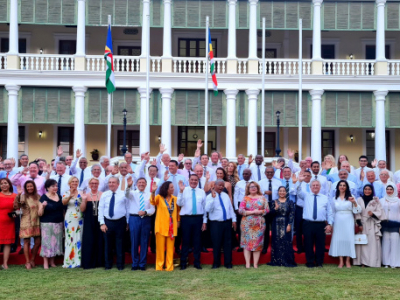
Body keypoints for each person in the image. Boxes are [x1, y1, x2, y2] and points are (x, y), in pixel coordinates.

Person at [329, 180, 361, 268]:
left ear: (346, 187)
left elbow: (358, 210)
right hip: (338, 220)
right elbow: (331, 211)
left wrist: (354, 202)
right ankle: (341, 261)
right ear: (338, 187)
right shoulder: (334, 198)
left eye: (344, 185)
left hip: (348, 219)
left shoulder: (351, 197)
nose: (342, 187)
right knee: (339, 239)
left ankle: (347, 261)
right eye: (340, 185)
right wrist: (331, 223)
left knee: (348, 239)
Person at [177, 175, 207, 270]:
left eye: (195, 180)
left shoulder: (201, 192)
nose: (194, 181)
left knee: (197, 241)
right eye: (192, 180)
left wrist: (204, 221)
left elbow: (205, 207)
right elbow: (179, 203)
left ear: (198, 181)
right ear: (189, 180)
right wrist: (181, 192)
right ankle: (183, 263)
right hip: (186, 218)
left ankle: (197, 262)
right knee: (185, 241)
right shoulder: (183, 190)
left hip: (198, 218)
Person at [98, 176, 128, 270]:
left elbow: (127, 208)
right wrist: (102, 223)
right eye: (110, 182)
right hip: (108, 222)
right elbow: (101, 209)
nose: (111, 184)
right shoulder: (104, 194)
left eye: (113, 182)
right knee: (108, 245)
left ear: (118, 184)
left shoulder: (123, 194)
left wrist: (127, 222)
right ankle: (108, 265)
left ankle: (120, 265)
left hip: (120, 222)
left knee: (120, 244)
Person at [301, 180, 333, 268]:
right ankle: (310, 262)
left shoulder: (325, 198)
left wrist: (329, 224)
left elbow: (329, 212)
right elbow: (298, 191)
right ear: (310, 187)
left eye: (317, 185)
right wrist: (299, 181)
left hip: (320, 224)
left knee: (320, 244)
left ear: (320, 187)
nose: (315, 186)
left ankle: (319, 262)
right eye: (313, 185)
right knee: (308, 243)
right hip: (308, 224)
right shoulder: (306, 196)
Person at [206, 179, 237, 269]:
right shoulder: (209, 197)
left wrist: (234, 220)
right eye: (219, 185)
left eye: (222, 186)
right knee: (216, 243)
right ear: (214, 186)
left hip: (227, 222)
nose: (221, 187)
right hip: (216, 224)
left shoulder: (226, 196)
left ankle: (228, 263)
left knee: (228, 243)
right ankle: (216, 263)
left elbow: (230, 209)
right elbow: (207, 210)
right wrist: (213, 198)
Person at [126, 176, 155, 271]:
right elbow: (126, 195)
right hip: (134, 218)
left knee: (144, 241)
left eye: (143, 182)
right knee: (134, 241)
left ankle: (142, 263)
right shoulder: (132, 193)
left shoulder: (150, 194)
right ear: (136, 184)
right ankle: (135, 263)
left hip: (145, 219)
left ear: (146, 184)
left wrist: (145, 212)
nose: (141, 184)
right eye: (139, 183)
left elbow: (152, 209)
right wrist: (128, 186)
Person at [353, 184, 386, 267]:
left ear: (372, 190)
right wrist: (359, 224)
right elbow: (356, 211)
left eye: (369, 189)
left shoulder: (375, 200)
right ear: (363, 190)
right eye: (365, 189)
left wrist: (373, 214)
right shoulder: (359, 200)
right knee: (362, 243)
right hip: (362, 223)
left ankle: (371, 262)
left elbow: (380, 211)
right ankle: (362, 262)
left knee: (371, 243)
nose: (367, 191)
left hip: (372, 223)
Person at [150, 181, 180, 271]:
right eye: (171, 187)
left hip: (171, 227)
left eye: (173, 187)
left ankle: (169, 266)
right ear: (166, 189)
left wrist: (178, 221)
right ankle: (159, 266)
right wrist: (153, 192)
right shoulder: (159, 197)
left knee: (170, 249)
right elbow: (152, 201)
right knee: (160, 249)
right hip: (161, 227)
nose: (173, 189)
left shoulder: (175, 199)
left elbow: (178, 211)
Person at [239, 181, 269, 268]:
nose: (253, 188)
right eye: (251, 187)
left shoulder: (263, 198)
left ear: (257, 188)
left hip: (259, 224)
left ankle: (255, 264)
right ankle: (247, 263)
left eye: (255, 186)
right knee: (247, 243)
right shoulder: (245, 198)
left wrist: (260, 211)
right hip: (247, 224)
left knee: (257, 243)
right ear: (248, 189)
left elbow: (267, 210)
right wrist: (252, 212)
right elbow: (240, 210)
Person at [13, 180, 41, 269]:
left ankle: (32, 259)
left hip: (36, 221)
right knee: (26, 242)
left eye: (31, 186)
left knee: (38, 242)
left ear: (34, 187)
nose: (29, 188)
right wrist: (18, 196)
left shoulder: (38, 196)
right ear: (25, 188)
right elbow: (16, 206)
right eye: (28, 186)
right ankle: (27, 262)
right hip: (27, 221)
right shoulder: (23, 196)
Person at [38, 179, 64, 269]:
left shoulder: (59, 197)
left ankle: (52, 262)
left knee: (56, 242)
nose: (55, 188)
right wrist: (43, 207)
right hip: (47, 223)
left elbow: (62, 210)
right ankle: (45, 263)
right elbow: (39, 213)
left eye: (56, 186)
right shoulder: (43, 197)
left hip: (58, 222)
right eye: (53, 186)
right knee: (47, 243)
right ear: (47, 188)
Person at [267, 186, 296, 267]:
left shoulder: (290, 202)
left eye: (283, 191)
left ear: (286, 192)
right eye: (280, 191)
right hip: (275, 224)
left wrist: (289, 224)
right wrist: (275, 209)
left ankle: (286, 260)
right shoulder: (274, 202)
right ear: (278, 192)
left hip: (286, 223)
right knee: (276, 241)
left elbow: (291, 214)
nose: (282, 192)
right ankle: (277, 260)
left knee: (286, 241)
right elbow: (270, 214)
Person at [80, 177, 104, 269]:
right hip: (89, 220)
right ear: (89, 185)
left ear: (98, 185)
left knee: (100, 240)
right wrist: (83, 200)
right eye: (92, 183)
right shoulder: (85, 195)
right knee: (89, 240)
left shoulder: (102, 194)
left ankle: (100, 262)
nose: (94, 185)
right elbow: (82, 209)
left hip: (100, 219)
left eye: (96, 183)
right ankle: (88, 262)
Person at [258, 166, 281, 254]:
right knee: (266, 228)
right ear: (265, 173)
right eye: (268, 172)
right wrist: (264, 192)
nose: (269, 174)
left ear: (274, 173)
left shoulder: (278, 182)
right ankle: (265, 247)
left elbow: (281, 193)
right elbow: (257, 193)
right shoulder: (260, 182)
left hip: (275, 205)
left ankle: (276, 247)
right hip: (265, 205)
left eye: (271, 172)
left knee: (276, 227)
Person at [62, 176, 83, 268]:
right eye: (73, 181)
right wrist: (70, 195)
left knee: (79, 237)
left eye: (76, 181)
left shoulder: (81, 192)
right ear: (69, 183)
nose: (74, 183)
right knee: (70, 238)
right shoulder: (66, 193)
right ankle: (69, 260)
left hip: (80, 217)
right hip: (70, 216)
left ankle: (79, 260)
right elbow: (64, 203)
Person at [380, 184, 400, 268]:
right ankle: (386, 263)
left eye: (391, 189)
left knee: (395, 243)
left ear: (394, 190)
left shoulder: (398, 201)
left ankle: (394, 263)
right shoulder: (381, 200)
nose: (389, 191)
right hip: (385, 223)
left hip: (395, 224)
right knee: (385, 243)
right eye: (387, 189)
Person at [233, 168, 252, 252]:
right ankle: (242, 245)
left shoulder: (254, 183)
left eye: (247, 174)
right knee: (242, 227)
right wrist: (236, 208)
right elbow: (235, 196)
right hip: (241, 206)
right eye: (244, 174)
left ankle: (250, 244)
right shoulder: (239, 183)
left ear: (250, 174)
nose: (245, 175)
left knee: (250, 226)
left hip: (251, 206)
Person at [0, 178, 17, 269]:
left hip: (9, 222)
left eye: (5, 183)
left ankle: (5, 263)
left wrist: (15, 214)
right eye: (1, 183)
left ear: (9, 185)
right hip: (0, 222)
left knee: (7, 243)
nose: (3, 185)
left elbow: (17, 209)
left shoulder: (14, 196)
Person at [294, 171, 312, 253]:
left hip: (309, 209)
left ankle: (307, 247)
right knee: (298, 229)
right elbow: (295, 191)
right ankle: (299, 247)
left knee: (307, 229)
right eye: (304, 175)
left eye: (308, 176)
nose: (306, 177)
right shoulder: (299, 184)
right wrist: (299, 181)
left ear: (311, 177)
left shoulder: (314, 185)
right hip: (300, 208)